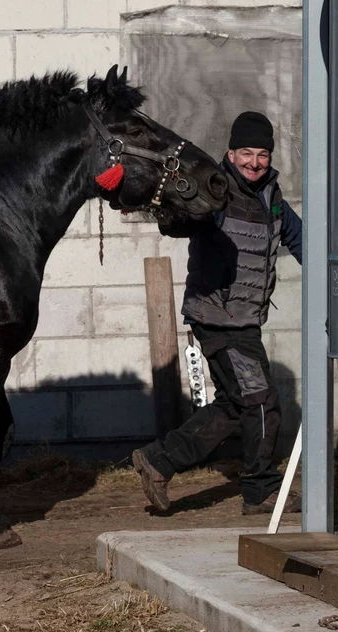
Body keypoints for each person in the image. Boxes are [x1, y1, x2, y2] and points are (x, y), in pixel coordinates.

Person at [133, 111, 304, 516]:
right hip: (219, 318)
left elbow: (304, 241)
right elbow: (182, 221)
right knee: (262, 401)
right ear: (231, 152)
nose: (255, 162)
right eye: (247, 153)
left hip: (243, 319)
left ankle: (159, 460)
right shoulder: (217, 190)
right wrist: (164, 210)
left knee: (235, 404)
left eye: (262, 154)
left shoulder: (273, 200)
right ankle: (260, 489)